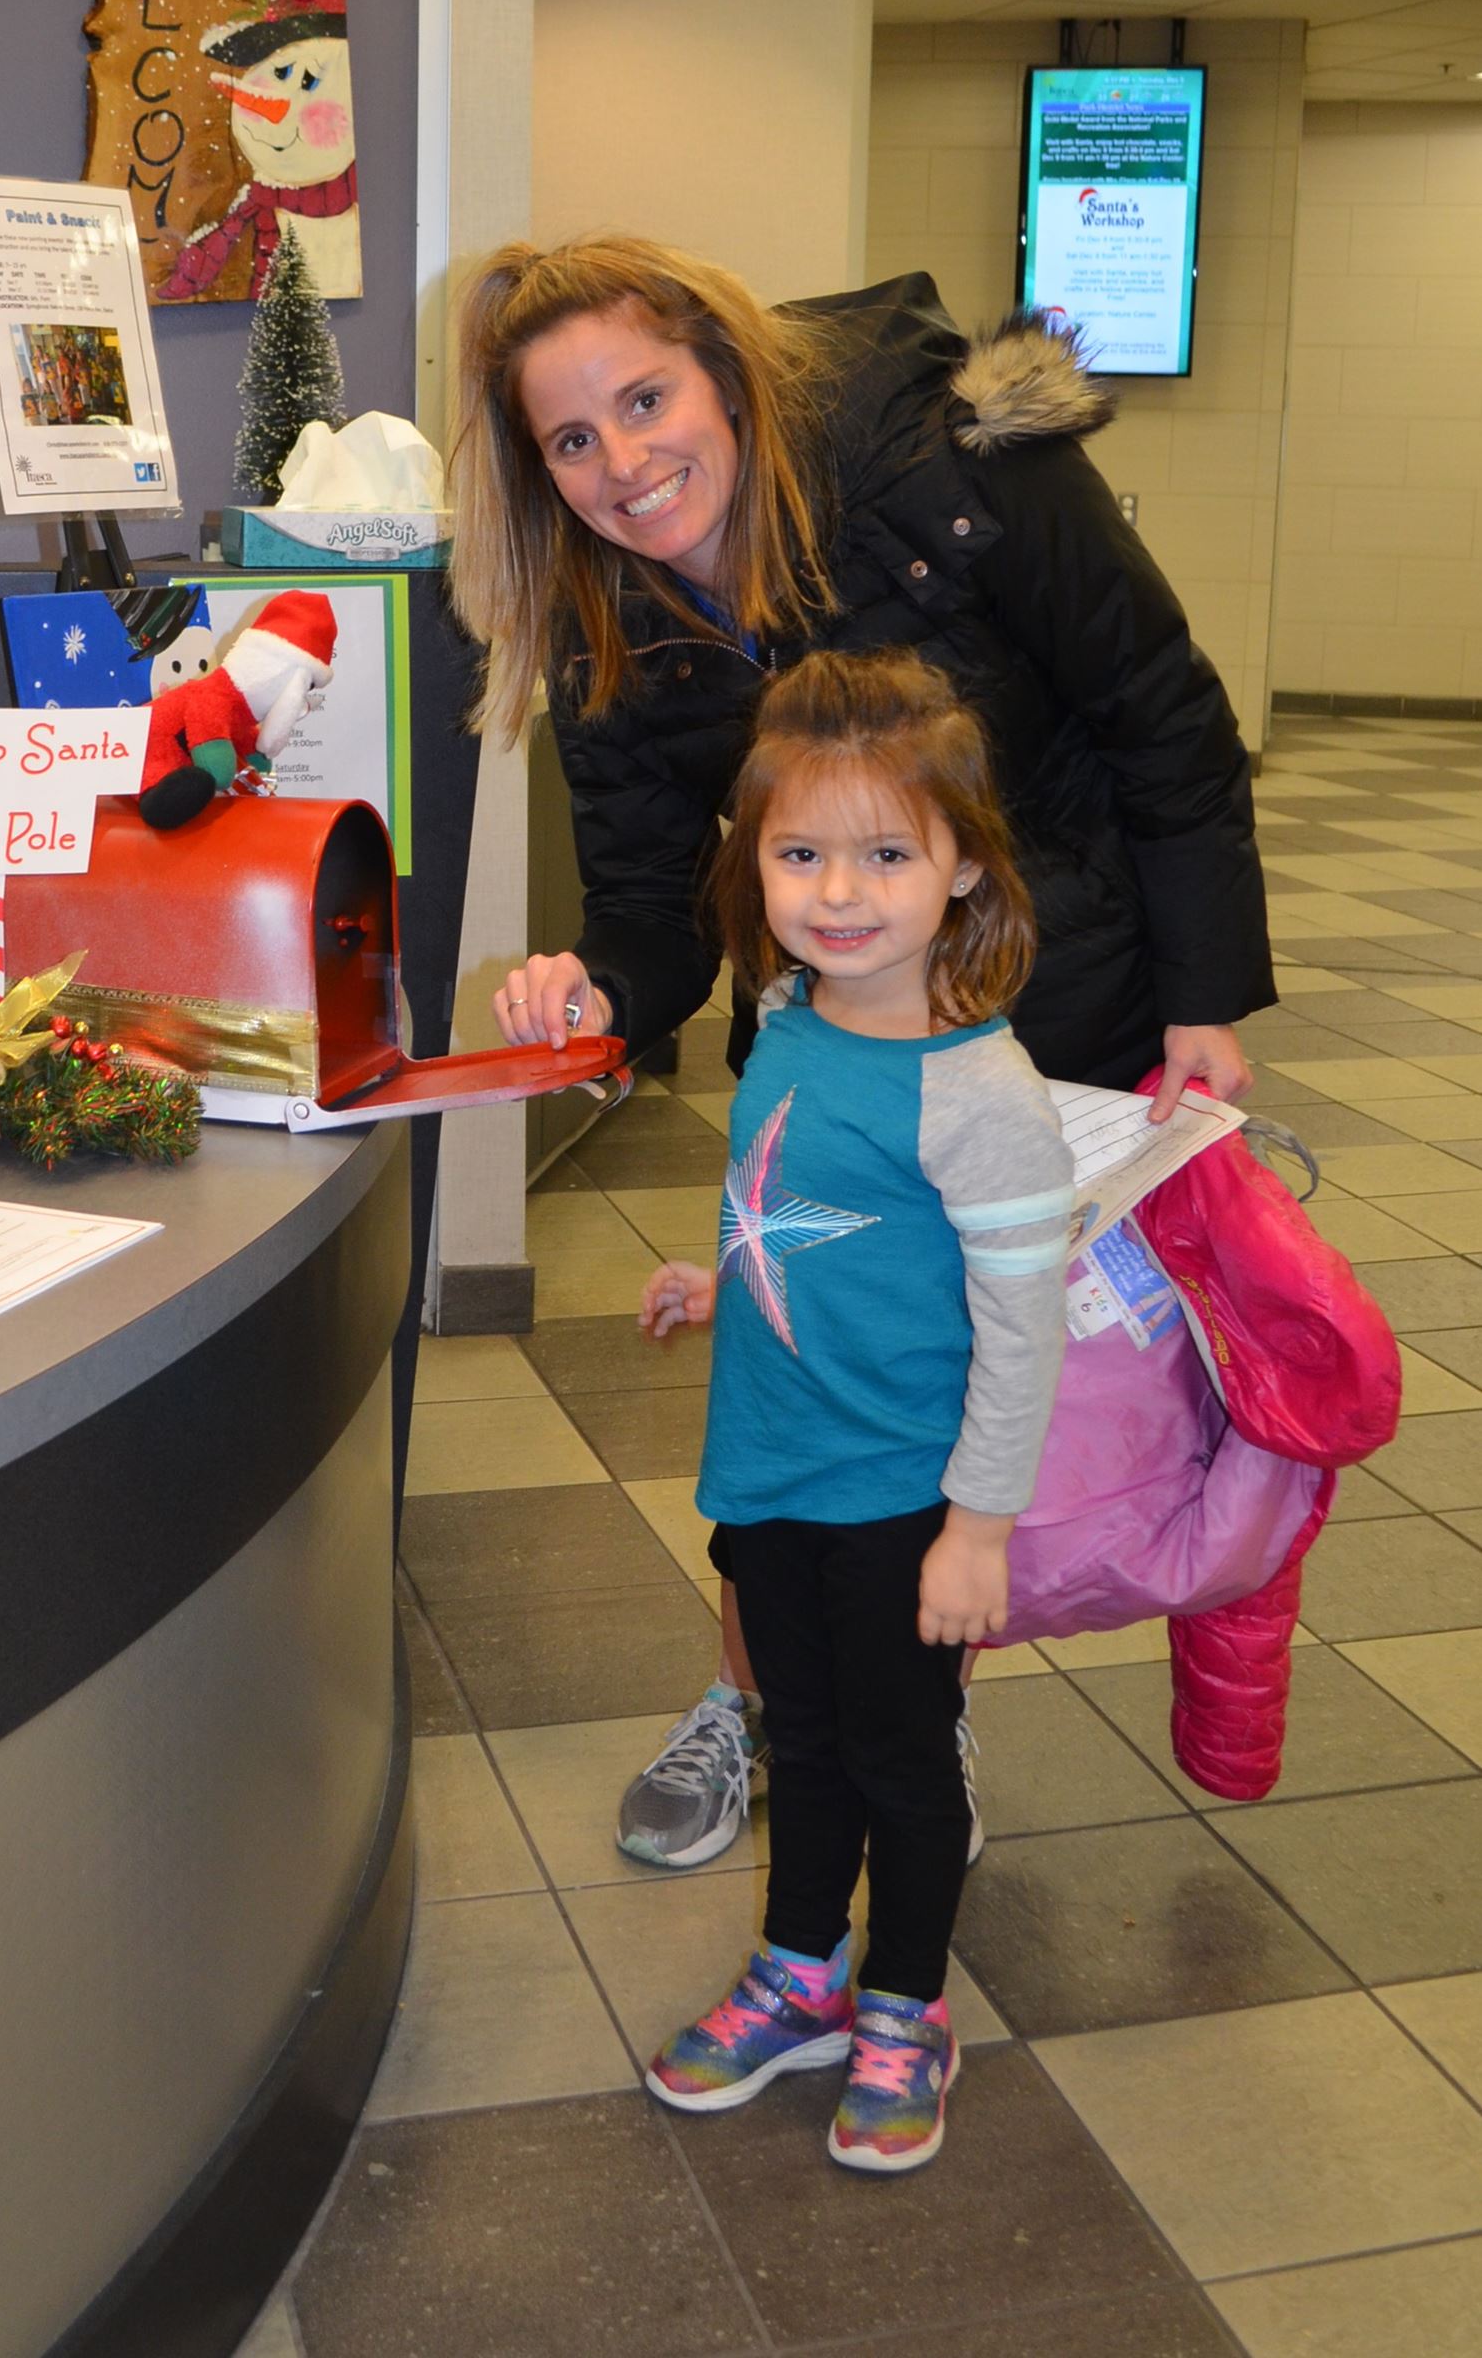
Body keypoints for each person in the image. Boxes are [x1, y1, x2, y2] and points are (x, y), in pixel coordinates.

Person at [450, 236, 1272, 1869]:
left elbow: (1160, 710)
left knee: (1010, 1392)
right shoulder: (608, 614)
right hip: (830, 1061)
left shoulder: (952, 472)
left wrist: (1203, 1003)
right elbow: (651, 897)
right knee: (809, 1389)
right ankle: (785, 1699)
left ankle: (914, 1707)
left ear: (726, 371)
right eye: (571, 441)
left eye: (646, 398)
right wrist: (603, 993)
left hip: (1060, 1005)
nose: (625, 465)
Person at [637, 647, 1072, 2173]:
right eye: (802, 851)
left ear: (961, 868)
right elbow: (799, 1209)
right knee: (801, 1741)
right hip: (767, 1468)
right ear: (753, 860)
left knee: (900, 1760)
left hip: (902, 1495)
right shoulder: (785, 1017)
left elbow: (1025, 1331)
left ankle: (906, 2003)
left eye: (888, 853)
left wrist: (979, 1530)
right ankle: (802, 1970)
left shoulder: (986, 1096)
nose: (839, 891)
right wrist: (725, 1276)